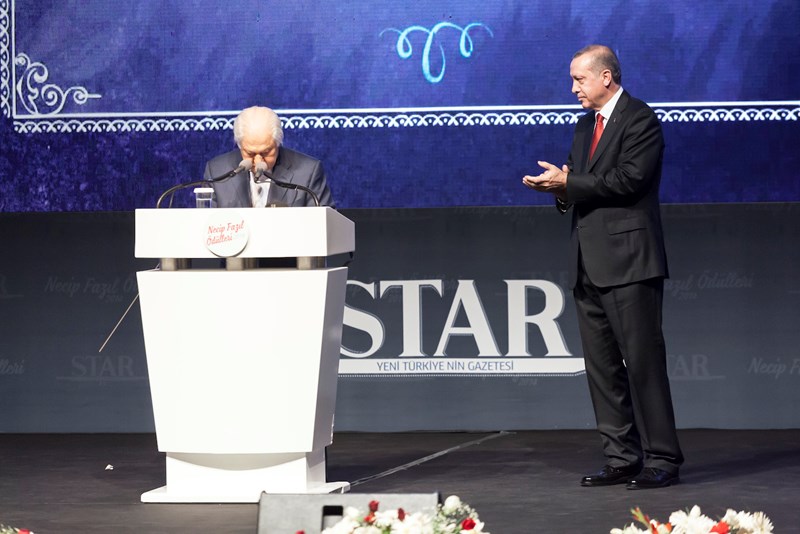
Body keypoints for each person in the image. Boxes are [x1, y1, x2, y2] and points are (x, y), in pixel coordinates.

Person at [522, 45, 683, 490]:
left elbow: (629, 180)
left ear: (606, 77)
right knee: (602, 368)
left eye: (580, 79)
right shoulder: (584, 125)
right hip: (587, 262)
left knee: (643, 363)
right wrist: (558, 189)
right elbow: (579, 183)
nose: (573, 88)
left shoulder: (640, 119)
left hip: (630, 261)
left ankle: (663, 459)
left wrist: (569, 182)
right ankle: (621, 458)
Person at [203, 106, 334, 208]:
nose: (258, 161)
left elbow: (326, 225)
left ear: (278, 143)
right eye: (250, 153)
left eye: (266, 152)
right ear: (240, 145)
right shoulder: (217, 172)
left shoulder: (308, 172)